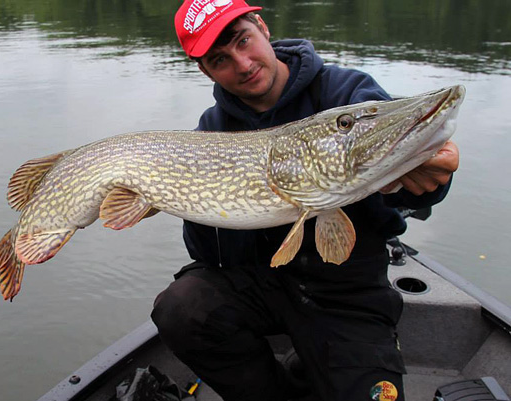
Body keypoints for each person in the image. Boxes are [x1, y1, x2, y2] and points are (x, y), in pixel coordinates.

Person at [152, 1, 460, 401]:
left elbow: (403, 191)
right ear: (205, 70)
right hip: (262, 283)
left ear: (262, 27)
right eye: (220, 59)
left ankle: (319, 365)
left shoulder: (346, 93)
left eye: (244, 40)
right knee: (181, 307)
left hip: (347, 294)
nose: (243, 64)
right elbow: (209, 256)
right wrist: (179, 198)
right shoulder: (211, 132)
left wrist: (429, 181)